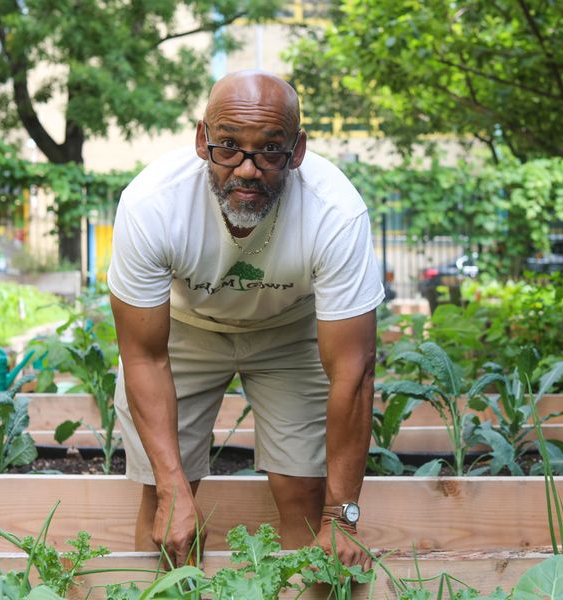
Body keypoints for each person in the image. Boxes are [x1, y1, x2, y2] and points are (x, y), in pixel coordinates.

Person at [107, 70, 384, 570]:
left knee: (304, 493)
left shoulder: (336, 213)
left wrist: (341, 518)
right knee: (165, 503)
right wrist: (173, 489)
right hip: (184, 332)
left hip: (291, 331)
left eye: (270, 150)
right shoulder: (152, 205)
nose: (248, 169)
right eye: (229, 146)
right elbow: (144, 355)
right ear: (201, 140)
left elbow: (354, 373)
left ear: (297, 151)